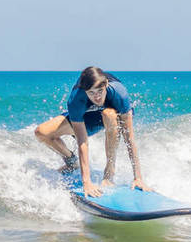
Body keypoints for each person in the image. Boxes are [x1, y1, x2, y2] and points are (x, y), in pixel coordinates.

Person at [34, 66, 152, 197]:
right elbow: (82, 141)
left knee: (109, 114)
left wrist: (138, 178)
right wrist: (87, 183)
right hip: (89, 118)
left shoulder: (119, 94)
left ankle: (109, 172)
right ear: (85, 91)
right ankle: (71, 161)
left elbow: (129, 139)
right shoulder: (76, 99)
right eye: (91, 93)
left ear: (106, 84)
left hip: (112, 116)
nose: (97, 97)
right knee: (41, 132)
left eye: (100, 91)